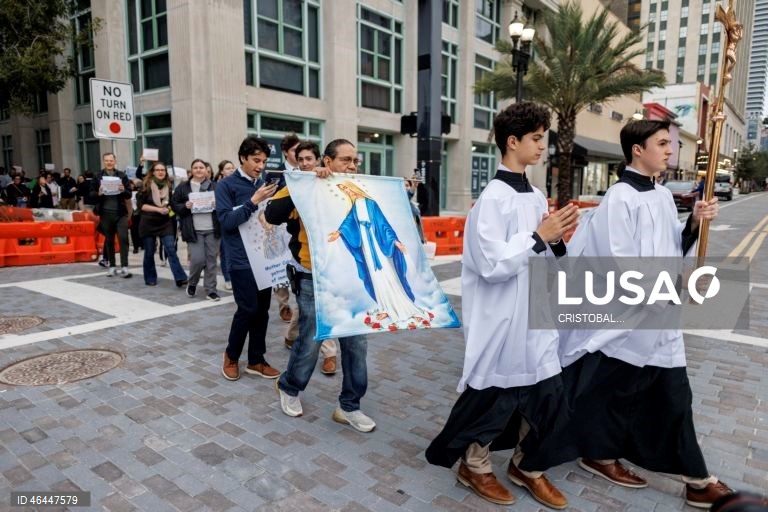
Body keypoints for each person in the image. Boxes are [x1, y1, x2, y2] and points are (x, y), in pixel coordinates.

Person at [526, 120, 731, 509]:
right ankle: (533, 459)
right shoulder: (620, 198)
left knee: (670, 395)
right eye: (662, 143)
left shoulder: (660, 196)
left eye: (670, 144)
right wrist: (670, 287)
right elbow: (619, 264)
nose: (670, 150)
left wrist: (693, 224)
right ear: (637, 149)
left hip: (656, 318)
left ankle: (696, 479)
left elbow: (669, 247)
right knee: (588, 390)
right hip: (624, 322)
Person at [425, 102, 579, 508]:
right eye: (536, 138)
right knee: (496, 400)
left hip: (535, 316)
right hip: (503, 321)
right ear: (513, 142)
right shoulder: (491, 200)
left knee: (547, 396)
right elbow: (492, 265)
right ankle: (474, 466)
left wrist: (558, 237)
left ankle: (527, 466)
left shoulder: (535, 195)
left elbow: (544, 256)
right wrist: (539, 237)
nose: (542, 146)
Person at [267, 139, 375, 432]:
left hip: (351, 278)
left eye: (356, 161)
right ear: (327, 162)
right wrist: (306, 183)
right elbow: (272, 215)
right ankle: (289, 387)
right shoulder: (306, 183)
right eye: (346, 160)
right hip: (312, 276)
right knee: (311, 339)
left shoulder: (358, 187)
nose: (352, 166)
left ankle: (349, 406)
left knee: (357, 344)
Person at [216, 136, 280, 381]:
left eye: (263, 161)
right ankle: (231, 356)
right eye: (256, 160)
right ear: (242, 157)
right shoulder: (226, 186)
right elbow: (226, 222)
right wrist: (253, 201)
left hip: (263, 256)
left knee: (262, 310)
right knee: (248, 308)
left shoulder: (263, 183)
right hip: (241, 258)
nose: (260, 166)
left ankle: (256, 360)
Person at [329, 180, 429, 326]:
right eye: (344, 190)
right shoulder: (354, 206)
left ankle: (402, 306)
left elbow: (383, 224)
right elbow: (348, 223)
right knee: (374, 274)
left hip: (377, 243)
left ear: (353, 188)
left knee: (386, 271)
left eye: (347, 189)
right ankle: (384, 307)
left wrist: (395, 241)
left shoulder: (371, 203)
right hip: (365, 244)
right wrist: (338, 232)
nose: (347, 192)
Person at [282, 140, 338, 375]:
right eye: (301, 159)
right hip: (303, 259)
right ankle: (292, 336)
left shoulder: (331, 181)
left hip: (331, 259)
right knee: (307, 313)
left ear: (319, 160)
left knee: (322, 310)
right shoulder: (293, 183)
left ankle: (329, 353)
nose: (305, 163)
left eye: (309, 159)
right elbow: (277, 215)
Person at [172, 159, 221, 302]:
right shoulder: (183, 187)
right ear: (191, 170)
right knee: (198, 260)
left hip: (213, 229)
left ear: (207, 170)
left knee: (211, 261)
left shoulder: (215, 186)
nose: (199, 170)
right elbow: (174, 204)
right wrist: (184, 206)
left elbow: (225, 203)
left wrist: (217, 204)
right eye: (195, 167)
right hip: (194, 230)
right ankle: (192, 282)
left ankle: (211, 290)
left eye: (202, 167)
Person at [138, 161, 188, 288]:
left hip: (165, 222)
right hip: (148, 222)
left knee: (171, 249)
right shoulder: (145, 185)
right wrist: (158, 209)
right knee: (149, 251)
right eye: (158, 170)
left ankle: (180, 277)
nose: (160, 172)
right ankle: (150, 277)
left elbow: (170, 202)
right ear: (153, 172)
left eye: (163, 170)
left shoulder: (168, 185)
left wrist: (171, 210)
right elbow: (141, 206)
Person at [269, 133, 301, 323]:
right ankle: (283, 305)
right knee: (279, 267)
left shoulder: (307, 171)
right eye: (294, 150)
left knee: (294, 265)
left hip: (297, 228)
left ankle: (297, 307)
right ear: (285, 153)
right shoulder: (276, 173)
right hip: (279, 227)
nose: (298, 155)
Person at [90, 153, 132, 277]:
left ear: (115, 161)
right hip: (105, 213)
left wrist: (123, 190)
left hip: (120, 213)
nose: (109, 162)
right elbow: (90, 195)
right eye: (107, 160)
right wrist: (98, 193)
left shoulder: (122, 175)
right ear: (103, 161)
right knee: (109, 240)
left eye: (111, 160)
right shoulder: (97, 176)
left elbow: (129, 194)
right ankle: (112, 266)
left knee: (123, 238)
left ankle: (124, 266)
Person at [216, 159, 236, 291]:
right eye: (228, 168)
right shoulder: (217, 185)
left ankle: (234, 277)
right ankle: (227, 278)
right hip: (221, 223)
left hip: (236, 219)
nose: (231, 170)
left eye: (233, 168)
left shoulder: (237, 183)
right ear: (222, 171)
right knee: (225, 252)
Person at [404, 177, 426, 243]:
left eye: (407, 185)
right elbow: (409, 194)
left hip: (415, 237)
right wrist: (414, 186)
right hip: (406, 237)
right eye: (403, 185)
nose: (405, 187)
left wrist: (422, 237)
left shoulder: (413, 205)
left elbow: (418, 223)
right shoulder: (400, 202)